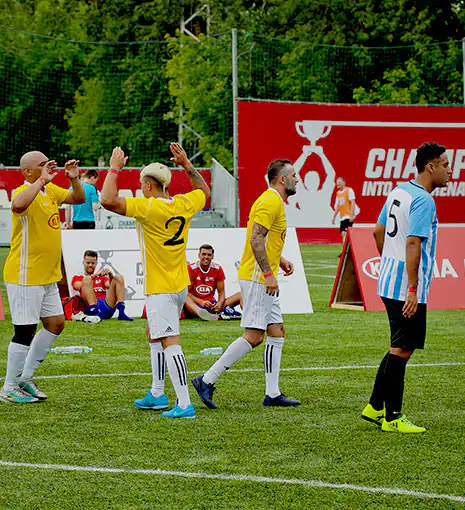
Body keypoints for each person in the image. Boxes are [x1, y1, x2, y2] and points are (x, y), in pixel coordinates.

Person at [100, 142, 210, 419]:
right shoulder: (184, 202)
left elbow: (107, 200)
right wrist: (187, 165)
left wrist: (114, 169)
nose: (140, 189)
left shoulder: (148, 207)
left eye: (141, 185)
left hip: (161, 287)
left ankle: (184, 404)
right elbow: (204, 192)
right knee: (153, 333)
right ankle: (158, 393)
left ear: (148, 186)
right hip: (179, 284)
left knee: (170, 342)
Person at [192, 159, 301, 409]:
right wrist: (269, 273)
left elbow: (264, 238)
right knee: (254, 336)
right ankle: (206, 380)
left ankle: (272, 393)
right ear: (282, 179)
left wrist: (280, 260)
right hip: (258, 278)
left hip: (261, 276)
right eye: (293, 175)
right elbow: (256, 238)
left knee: (277, 331)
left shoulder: (271, 200)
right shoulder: (271, 201)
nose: (297, 179)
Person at [361, 142, 451, 434]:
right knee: (402, 349)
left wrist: (389, 260)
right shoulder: (424, 200)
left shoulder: (398, 191)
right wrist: (412, 288)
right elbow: (413, 243)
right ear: (430, 167)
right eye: (445, 165)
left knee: (398, 346)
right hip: (405, 288)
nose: (450, 171)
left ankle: (375, 406)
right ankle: (393, 417)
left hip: (389, 279)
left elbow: (377, 231)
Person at [0, 151, 85, 403]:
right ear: (28, 171)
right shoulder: (24, 190)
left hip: (47, 276)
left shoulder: (51, 191)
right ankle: (9, 387)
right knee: (25, 331)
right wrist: (41, 181)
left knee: (56, 323)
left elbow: (78, 198)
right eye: (42, 164)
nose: (48, 166)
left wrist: (73, 178)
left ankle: (24, 378)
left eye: (49, 162)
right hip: (25, 275)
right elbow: (17, 206)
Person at [183, 244, 242, 321]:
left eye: (209, 255)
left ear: (212, 256)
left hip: (211, 305)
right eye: (203, 254)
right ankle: (201, 313)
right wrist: (201, 302)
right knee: (184, 297)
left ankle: (247, 317)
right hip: (195, 304)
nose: (206, 257)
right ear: (199, 255)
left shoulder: (218, 268)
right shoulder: (190, 268)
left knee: (241, 295)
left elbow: (221, 293)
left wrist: (219, 303)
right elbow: (187, 293)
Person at [71, 250, 133, 321]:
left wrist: (110, 275)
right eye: (88, 263)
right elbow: (78, 286)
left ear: (96, 263)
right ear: (83, 263)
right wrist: (94, 275)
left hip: (106, 306)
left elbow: (111, 287)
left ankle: (121, 312)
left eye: (93, 263)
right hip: (91, 307)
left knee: (119, 277)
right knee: (87, 279)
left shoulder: (101, 277)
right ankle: (95, 313)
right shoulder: (78, 277)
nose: (90, 265)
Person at [331, 176, 359, 245]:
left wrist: (351, 215)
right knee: (343, 233)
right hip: (342, 216)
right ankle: (347, 248)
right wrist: (334, 217)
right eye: (337, 182)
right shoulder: (338, 193)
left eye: (339, 182)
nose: (338, 184)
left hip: (348, 216)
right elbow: (338, 206)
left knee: (345, 233)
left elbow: (352, 202)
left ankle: (345, 248)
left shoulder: (349, 190)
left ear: (344, 182)